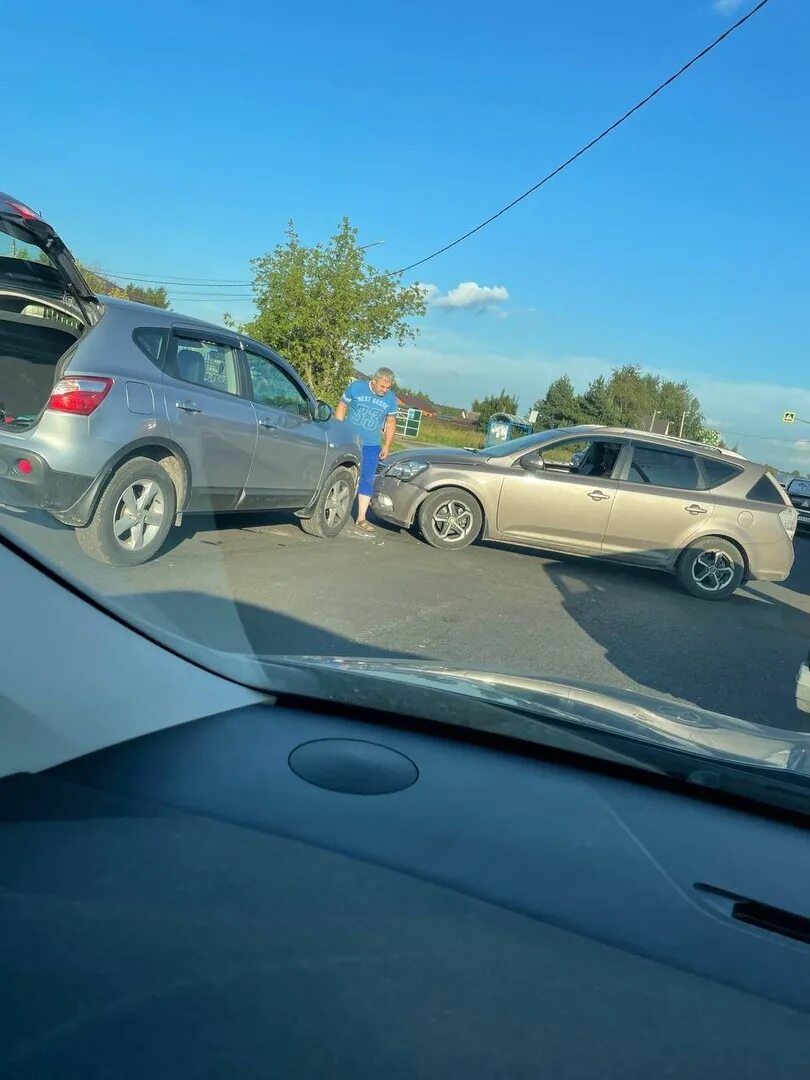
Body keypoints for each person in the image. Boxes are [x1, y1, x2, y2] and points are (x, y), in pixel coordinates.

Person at [335, 367, 399, 534]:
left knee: (367, 479)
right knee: (342, 472)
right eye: (382, 386)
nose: (385, 390)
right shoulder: (357, 387)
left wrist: (386, 445)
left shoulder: (391, 399)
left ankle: (361, 517)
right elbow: (342, 407)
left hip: (371, 445)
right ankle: (335, 506)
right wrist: (338, 430)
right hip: (349, 440)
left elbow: (391, 423)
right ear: (374, 380)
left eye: (388, 387)